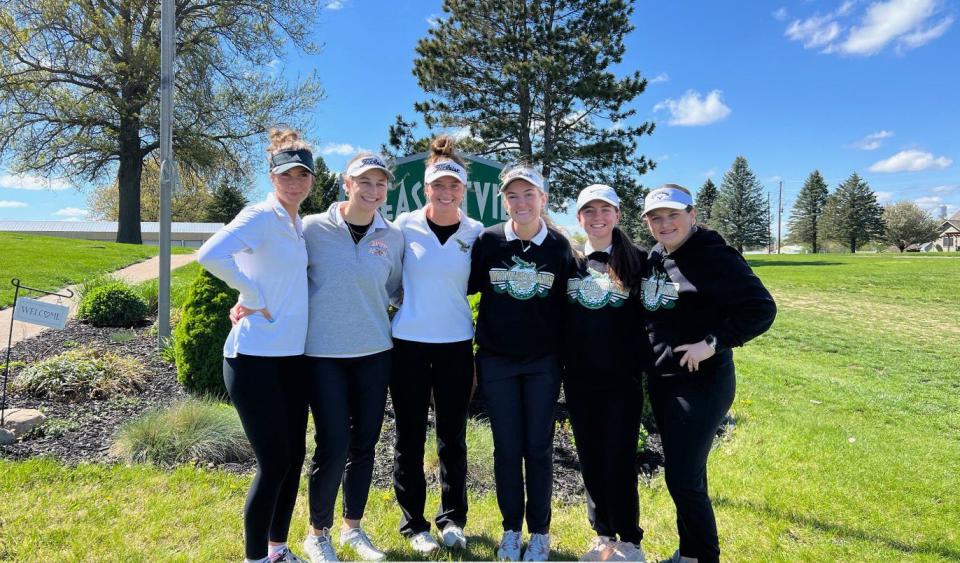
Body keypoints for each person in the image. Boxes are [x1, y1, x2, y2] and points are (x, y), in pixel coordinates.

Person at [639, 184, 776, 563]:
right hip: (665, 382)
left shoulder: (715, 256)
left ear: (692, 215)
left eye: (672, 215)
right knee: (686, 478)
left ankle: (703, 557)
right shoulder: (656, 255)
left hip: (702, 384)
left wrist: (712, 343)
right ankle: (691, 553)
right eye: (655, 218)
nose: (664, 224)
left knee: (682, 478)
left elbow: (761, 309)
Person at [198, 128, 314, 563]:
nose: (294, 182)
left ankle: (277, 549)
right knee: (274, 462)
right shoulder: (260, 215)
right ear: (271, 177)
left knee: (294, 457)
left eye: (302, 175)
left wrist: (255, 289)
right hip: (253, 358)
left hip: (291, 358)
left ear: (311, 180)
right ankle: (255, 559)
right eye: (286, 175)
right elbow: (210, 254)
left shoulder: (296, 222)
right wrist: (250, 295)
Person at [299, 153, 404, 563]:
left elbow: (395, 289)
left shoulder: (392, 236)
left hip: (375, 354)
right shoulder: (311, 229)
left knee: (365, 443)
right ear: (347, 183)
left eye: (380, 184)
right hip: (323, 354)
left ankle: (353, 529)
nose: (372, 190)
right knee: (333, 443)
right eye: (364, 182)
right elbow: (283, 274)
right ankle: (317, 533)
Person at [467, 164, 576, 562]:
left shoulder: (559, 247)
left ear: (543, 199)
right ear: (504, 200)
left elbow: (570, 308)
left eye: (529, 194)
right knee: (506, 448)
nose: (521, 202)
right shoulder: (489, 241)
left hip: (543, 364)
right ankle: (511, 530)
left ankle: (541, 533)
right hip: (497, 361)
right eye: (513, 195)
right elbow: (461, 287)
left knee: (539, 448)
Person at [389, 136, 484, 555]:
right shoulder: (403, 226)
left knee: (452, 437)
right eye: (438, 186)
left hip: (456, 346)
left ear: (463, 190)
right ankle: (414, 524)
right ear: (426, 188)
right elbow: (388, 280)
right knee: (408, 437)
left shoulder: (476, 232)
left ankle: (452, 520)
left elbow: (482, 284)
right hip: (407, 345)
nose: (446, 193)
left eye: (454, 187)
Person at [563, 184, 649, 562]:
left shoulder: (639, 261)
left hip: (622, 379)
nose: (597, 218)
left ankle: (629, 539)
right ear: (579, 218)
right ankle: (602, 535)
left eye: (605, 210)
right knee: (591, 457)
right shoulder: (570, 262)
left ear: (617, 215)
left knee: (620, 457)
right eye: (589, 211)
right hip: (580, 378)